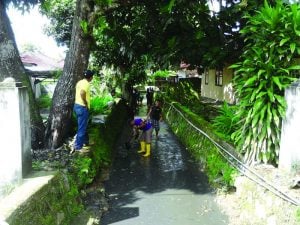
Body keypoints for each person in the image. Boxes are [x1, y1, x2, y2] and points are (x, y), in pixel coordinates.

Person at [73, 70, 94, 153]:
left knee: (82, 125)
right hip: (82, 107)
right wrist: (85, 102)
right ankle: (78, 146)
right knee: (82, 127)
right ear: (91, 77)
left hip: (77, 106)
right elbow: (82, 93)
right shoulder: (87, 84)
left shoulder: (80, 82)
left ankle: (85, 141)